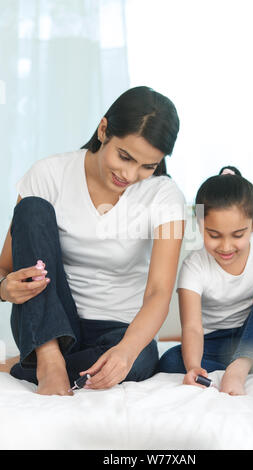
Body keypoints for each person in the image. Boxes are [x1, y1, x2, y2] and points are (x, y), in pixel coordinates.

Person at [0, 86, 186, 396]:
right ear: (103, 130)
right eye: (124, 156)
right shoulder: (49, 174)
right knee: (32, 208)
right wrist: (4, 290)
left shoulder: (165, 196)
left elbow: (158, 293)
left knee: (140, 357)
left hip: (117, 329)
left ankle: (30, 366)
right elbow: (5, 268)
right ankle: (48, 359)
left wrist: (126, 351)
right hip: (52, 319)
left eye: (148, 166)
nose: (130, 174)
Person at [157, 166, 253, 395]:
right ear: (200, 224)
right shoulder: (194, 266)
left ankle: (240, 367)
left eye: (238, 235)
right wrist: (194, 366)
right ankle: (249, 361)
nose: (225, 247)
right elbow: (192, 328)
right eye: (214, 235)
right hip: (219, 342)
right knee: (170, 361)